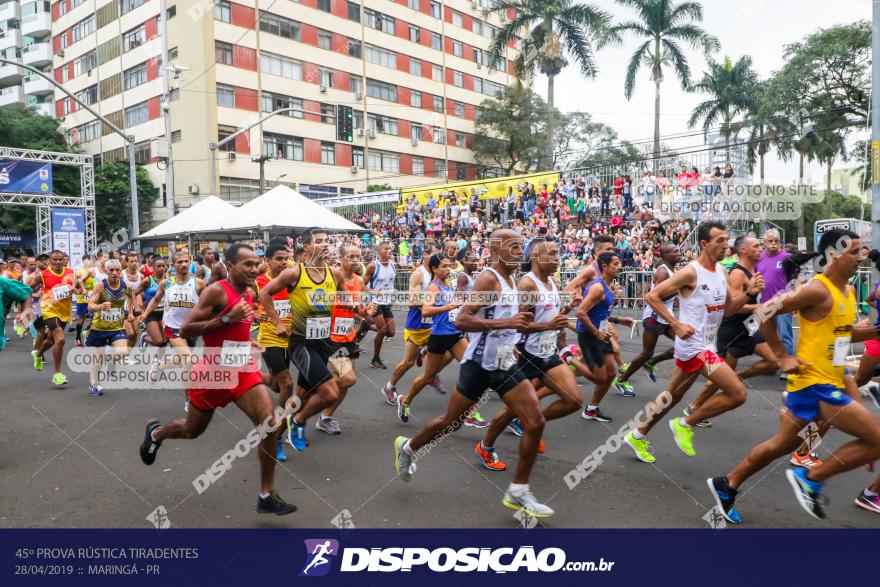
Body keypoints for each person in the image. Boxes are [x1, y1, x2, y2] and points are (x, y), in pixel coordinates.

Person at [707, 229, 880, 522]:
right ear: (833, 256)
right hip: (815, 383)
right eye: (854, 252)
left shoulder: (848, 292)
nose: (861, 257)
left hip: (830, 379)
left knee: (782, 445)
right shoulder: (817, 289)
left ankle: (728, 483)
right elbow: (766, 310)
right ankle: (811, 478)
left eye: (862, 251)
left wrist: (875, 331)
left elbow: (843, 333)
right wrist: (782, 355)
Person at [393, 229, 554, 517]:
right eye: (514, 247)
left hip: (504, 363)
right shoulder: (488, 277)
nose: (520, 252)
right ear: (496, 249)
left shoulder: (511, 279)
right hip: (478, 365)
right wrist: (507, 325)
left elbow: (504, 319)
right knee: (450, 423)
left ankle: (518, 491)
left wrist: (516, 337)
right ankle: (408, 447)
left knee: (535, 421)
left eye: (521, 247)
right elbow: (464, 320)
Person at [139, 243, 298, 516]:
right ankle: (157, 433)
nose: (254, 268)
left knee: (270, 424)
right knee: (192, 430)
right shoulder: (216, 291)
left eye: (256, 263)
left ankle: (266, 494)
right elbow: (185, 328)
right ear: (231, 265)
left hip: (242, 370)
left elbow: (236, 328)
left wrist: (248, 342)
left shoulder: (250, 292)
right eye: (246, 264)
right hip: (212, 373)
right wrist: (225, 319)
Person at [623, 221, 762, 463]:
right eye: (719, 241)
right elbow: (652, 296)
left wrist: (749, 294)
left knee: (671, 396)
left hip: (706, 343)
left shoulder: (722, 272)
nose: (725, 245)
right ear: (704, 244)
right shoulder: (691, 272)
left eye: (727, 240)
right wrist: (675, 324)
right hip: (694, 346)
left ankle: (638, 433)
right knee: (738, 393)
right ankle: (686, 423)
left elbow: (729, 309)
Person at [476, 238, 578, 469]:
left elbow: (551, 317)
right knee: (512, 409)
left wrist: (569, 307)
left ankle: (534, 424)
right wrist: (548, 327)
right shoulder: (527, 285)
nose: (557, 258)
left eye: (557, 253)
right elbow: (518, 324)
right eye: (551, 254)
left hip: (547, 352)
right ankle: (486, 446)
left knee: (573, 400)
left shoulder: (551, 283)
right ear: (535, 257)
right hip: (525, 354)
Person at [259, 228, 345, 452]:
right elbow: (264, 294)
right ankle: (298, 422)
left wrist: (362, 308)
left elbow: (345, 297)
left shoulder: (334, 273)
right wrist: (277, 323)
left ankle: (277, 438)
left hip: (323, 343)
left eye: (327, 241)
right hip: (301, 344)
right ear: (306, 247)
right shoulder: (294, 273)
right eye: (319, 241)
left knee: (298, 400)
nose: (325, 244)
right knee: (330, 392)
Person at [396, 253, 467, 422]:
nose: (448, 269)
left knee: (470, 365)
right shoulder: (433, 287)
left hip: (454, 334)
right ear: (434, 269)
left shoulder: (448, 285)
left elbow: (453, 309)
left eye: (449, 266)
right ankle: (405, 400)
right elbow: (426, 310)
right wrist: (449, 306)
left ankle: (467, 411)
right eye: (444, 266)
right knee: (428, 376)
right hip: (439, 335)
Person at [381, 243, 448, 403]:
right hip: (417, 324)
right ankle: (389, 386)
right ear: (425, 255)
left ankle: (431, 370)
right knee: (408, 362)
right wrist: (433, 299)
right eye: (434, 255)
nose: (438, 259)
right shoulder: (419, 274)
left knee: (446, 352)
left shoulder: (441, 274)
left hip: (433, 323)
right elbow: (412, 301)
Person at [576, 252, 635, 421]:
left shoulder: (607, 287)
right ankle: (569, 359)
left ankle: (591, 409)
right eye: (615, 264)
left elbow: (599, 314)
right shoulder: (598, 287)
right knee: (600, 377)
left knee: (610, 374)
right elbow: (581, 313)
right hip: (590, 335)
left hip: (601, 335)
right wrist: (596, 332)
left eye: (619, 263)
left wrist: (619, 320)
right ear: (605, 267)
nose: (620, 267)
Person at [324, 244, 376, 435]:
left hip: (349, 336)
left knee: (344, 382)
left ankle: (325, 417)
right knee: (349, 378)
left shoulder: (359, 281)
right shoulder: (331, 277)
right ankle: (315, 393)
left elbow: (360, 310)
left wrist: (367, 311)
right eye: (351, 257)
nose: (355, 261)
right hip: (331, 338)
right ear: (341, 258)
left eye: (358, 257)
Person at [613, 244, 679, 392]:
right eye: (674, 251)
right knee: (646, 352)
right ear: (665, 255)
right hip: (654, 316)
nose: (678, 253)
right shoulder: (663, 271)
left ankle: (652, 362)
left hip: (666, 316)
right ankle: (621, 380)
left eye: (677, 250)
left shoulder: (671, 271)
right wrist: (675, 290)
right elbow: (654, 296)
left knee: (684, 344)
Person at [254, 242, 294, 462]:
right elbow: (244, 301)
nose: (283, 262)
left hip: (291, 339)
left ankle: (255, 376)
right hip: (270, 339)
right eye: (278, 258)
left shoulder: (292, 280)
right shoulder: (259, 281)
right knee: (287, 384)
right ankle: (278, 435)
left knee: (279, 385)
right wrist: (252, 313)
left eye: (286, 257)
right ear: (267, 260)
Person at [27, 250, 79, 385]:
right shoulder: (43, 275)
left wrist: (79, 290)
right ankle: (58, 374)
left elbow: (78, 287)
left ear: (64, 260)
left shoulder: (71, 272)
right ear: (49, 261)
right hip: (48, 309)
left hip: (64, 311)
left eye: (60, 259)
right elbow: (26, 288)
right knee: (60, 340)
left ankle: (37, 354)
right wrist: (32, 297)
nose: (57, 262)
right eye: (54, 260)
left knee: (51, 340)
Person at [85, 259, 135, 397]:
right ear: (106, 271)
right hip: (99, 327)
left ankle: (112, 361)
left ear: (121, 271)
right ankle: (95, 384)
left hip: (116, 326)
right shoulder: (101, 286)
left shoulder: (126, 286)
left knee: (122, 352)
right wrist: (100, 306)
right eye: (111, 270)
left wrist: (130, 312)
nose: (114, 273)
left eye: (117, 270)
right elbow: (90, 306)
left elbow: (131, 297)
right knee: (98, 358)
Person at [755, 229, 793, 368]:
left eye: (776, 241)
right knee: (766, 337)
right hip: (764, 304)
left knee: (785, 336)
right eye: (770, 241)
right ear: (764, 243)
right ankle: (772, 364)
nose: (773, 243)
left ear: (780, 243)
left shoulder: (787, 257)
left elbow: (796, 279)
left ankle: (788, 367)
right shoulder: (758, 258)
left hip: (783, 304)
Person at [363, 242, 396, 369]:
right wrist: (372, 291)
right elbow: (362, 284)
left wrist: (393, 294)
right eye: (385, 248)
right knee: (382, 331)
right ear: (379, 251)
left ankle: (367, 325)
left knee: (391, 333)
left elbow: (391, 284)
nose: (389, 250)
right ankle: (375, 359)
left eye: (390, 248)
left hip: (386, 302)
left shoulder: (393, 265)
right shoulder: (373, 266)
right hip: (375, 302)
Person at [132, 256, 168, 349]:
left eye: (163, 266)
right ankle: (145, 337)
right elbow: (133, 293)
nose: (161, 268)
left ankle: (157, 361)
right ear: (153, 267)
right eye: (159, 266)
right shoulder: (147, 280)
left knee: (165, 341)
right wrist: (137, 306)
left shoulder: (169, 280)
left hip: (165, 313)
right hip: (151, 313)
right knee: (158, 341)